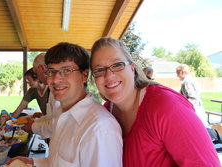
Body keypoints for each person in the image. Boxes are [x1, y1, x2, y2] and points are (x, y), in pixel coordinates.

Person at [90, 37, 220, 167]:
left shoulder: (166, 106)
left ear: (132, 68)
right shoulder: (106, 114)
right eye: (99, 70)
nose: (108, 75)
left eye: (117, 65)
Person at [6, 42, 122, 167]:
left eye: (66, 70)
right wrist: (33, 162)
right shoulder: (62, 114)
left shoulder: (99, 128)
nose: (55, 79)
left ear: (84, 75)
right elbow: (57, 162)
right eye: (51, 71)